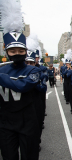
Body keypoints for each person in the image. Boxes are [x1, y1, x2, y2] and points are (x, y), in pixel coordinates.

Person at [0, 1, 41, 158]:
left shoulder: (32, 69)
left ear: (25, 51)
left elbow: (23, 86)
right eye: (13, 50)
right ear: (6, 51)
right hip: (5, 122)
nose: (17, 53)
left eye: (20, 50)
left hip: (28, 122)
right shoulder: (2, 69)